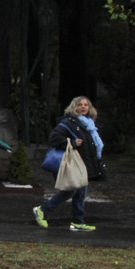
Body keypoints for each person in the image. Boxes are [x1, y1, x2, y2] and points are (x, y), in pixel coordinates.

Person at [33, 96, 102, 232]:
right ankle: (42, 209)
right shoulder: (69, 123)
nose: (83, 107)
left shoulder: (89, 125)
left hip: (82, 163)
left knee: (80, 192)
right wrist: (71, 142)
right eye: (80, 104)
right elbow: (53, 138)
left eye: (86, 105)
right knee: (71, 191)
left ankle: (78, 221)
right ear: (73, 107)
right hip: (73, 163)